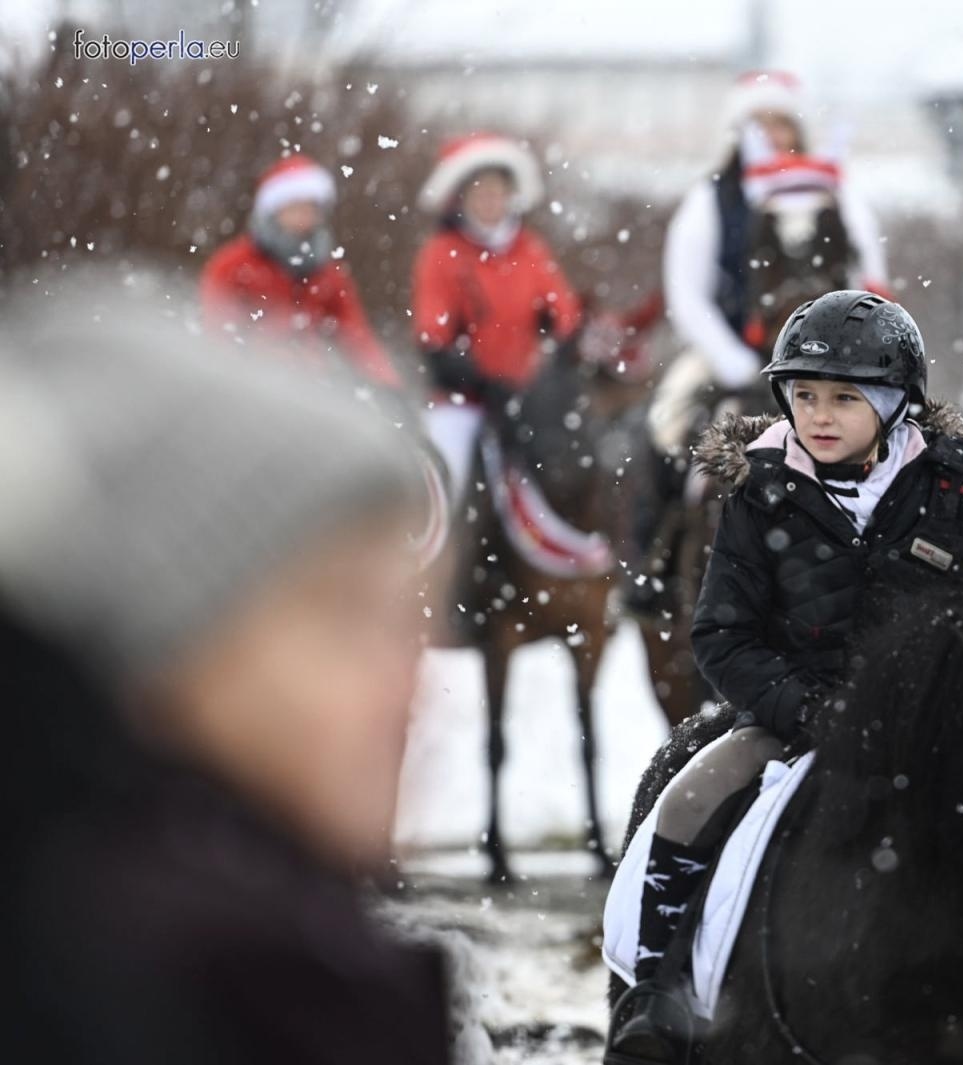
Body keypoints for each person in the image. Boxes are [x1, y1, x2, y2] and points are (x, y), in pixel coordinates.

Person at [0, 287, 450, 1065]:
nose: (409, 686)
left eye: (409, 624)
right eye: (343, 617)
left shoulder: (281, 962)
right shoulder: (186, 996)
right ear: (159, 646)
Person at [606, 291, 963, 1064]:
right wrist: (809, 707)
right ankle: (656, 990)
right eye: (805, 395)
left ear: (895, 406)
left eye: (844, 398)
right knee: (689, 796)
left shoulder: (954, 491)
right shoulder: (760, 492)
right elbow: (722, 633)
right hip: (791, 719)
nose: (819, 415)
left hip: (931, 732)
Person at [622, 71, 889, 619]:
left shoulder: (836, 191)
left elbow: (870, 277)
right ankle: (655, 564)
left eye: (781, 120)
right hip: (729, 350)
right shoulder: (710, 199)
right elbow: (686, 293)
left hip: (833, 359)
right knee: (665, 425)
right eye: (759, 121)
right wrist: (737, 363)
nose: (770, 132)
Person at [411, 132, 583, 503]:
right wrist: (481, 381)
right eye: (481, 192)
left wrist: (560, 345)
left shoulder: (530, 248)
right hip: (464, 401)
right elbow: (433, 335)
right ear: (462, 198)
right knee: (447, 480)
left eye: (497, 191)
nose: (491, 201)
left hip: (527, 397)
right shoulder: (441, 253)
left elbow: (563, 312)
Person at [200, 154, 403, 393]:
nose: (305, 218)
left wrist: (387, 384)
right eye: (297, 208)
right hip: (246, 389)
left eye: (312, 210)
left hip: (312, 395)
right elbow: (215, 333)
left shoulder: (330, 276)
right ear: (274, 210)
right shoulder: (233, 265)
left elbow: (357, 337)